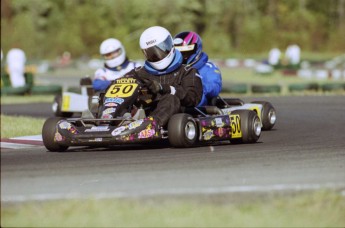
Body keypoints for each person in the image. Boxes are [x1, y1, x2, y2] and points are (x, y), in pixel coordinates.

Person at [121, 26, 203, 127]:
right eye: (151, 53)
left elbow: (193, 98)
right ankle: (106, 121)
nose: (156, 55)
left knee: (171, 99)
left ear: (170, 45)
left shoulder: (187, 71)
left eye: (159, 50)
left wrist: (163, 88)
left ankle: (150, 126)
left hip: (174, 116)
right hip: (143, 110)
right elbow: (119, 86)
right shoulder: (139, 73)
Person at [173, 31, 222, 106]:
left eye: (184, 53)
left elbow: (215, 87)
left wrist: (196, 86)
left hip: (196, 103)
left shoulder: (208, 68)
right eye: (178, 53)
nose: (181, 57)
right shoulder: (173, 69)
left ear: (196, 50)